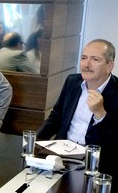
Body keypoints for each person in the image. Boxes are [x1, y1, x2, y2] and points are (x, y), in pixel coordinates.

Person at [37, 39, 118, 178]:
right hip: (61, 153)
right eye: (84, 58)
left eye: (95, 59)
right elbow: (56, 116)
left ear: (109, 66)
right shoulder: (72, 81)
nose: (87, 64)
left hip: (95, 162)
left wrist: (100, 114)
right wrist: (36, 142)